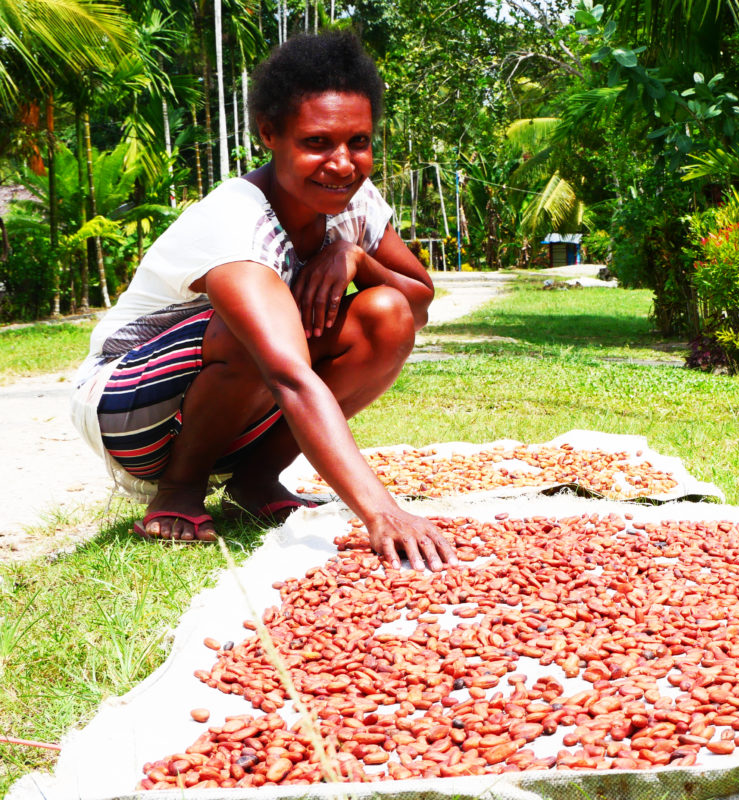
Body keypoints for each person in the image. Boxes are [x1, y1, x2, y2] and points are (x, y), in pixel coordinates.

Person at [68, 31, 458, 571]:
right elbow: (287, 375)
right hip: (129, 410)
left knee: (384, 314)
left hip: (233, 411)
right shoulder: (237, 224)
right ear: (270, 135)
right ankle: (179, 488)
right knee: (252, 330)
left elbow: (415, 303)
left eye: (359, 142)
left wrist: (356, 259)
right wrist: (380, 512)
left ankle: (253, 482)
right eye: (318, 143)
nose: (342, 163)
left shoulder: (353, 200)